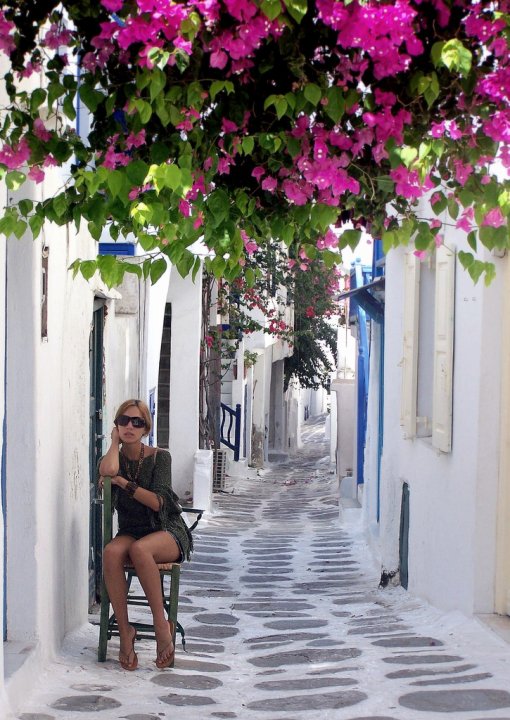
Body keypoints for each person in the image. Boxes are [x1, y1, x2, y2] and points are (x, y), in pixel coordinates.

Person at [99, 399, 192, 671]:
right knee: (111, 552)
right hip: (132, 530)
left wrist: (124, 483)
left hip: (165, 529)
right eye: (124, 421)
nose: (130, 426)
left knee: (141, 550)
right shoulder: (113, 459)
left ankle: (161, 626)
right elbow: (107, 471)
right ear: (116, 425)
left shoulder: (160, 457)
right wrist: (113, 443)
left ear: (145, 428)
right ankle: (125, 632)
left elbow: (158, 503)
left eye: (137, 422)